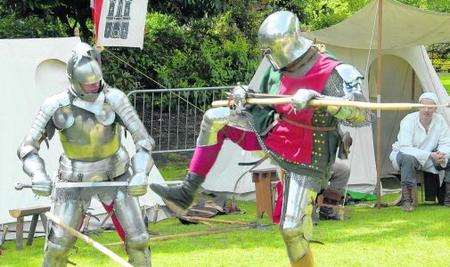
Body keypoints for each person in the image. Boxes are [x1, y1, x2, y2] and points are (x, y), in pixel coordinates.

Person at [151, 11, 368, 266]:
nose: (270, 56)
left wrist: (321, 101)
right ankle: (186, 191)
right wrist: (247, 95)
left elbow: (361, 115)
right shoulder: (278, 68)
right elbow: (266, 102)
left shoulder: (334, 70)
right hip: (275, 135)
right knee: (214, 118)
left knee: (291, 230)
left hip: (310, 153)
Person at [17, 42, 154, 266]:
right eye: (87, 84)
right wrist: (38, 175)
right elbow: (28, 147)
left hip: (116, 174)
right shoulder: (55, 105)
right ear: (73, 80)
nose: (93, 87)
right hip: (73, 179)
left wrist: (140, 173)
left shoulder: (115, 99)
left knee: (139, 240)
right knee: (56, 247)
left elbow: (144, 141)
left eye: (95, 82)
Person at [389, 92, 450, 211]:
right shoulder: (409, 120)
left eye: (430, 107)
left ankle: (447, 199)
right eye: (423, 106)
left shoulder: (440, 120)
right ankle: (408, 201)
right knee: (408, 158)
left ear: (435, 108)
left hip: (429, 158)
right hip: (404, 155)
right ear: (419, 106)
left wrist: (442, 154)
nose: (426, 110)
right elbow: (405, 147)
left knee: (448, 157)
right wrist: (430, 155)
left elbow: (446, 142)